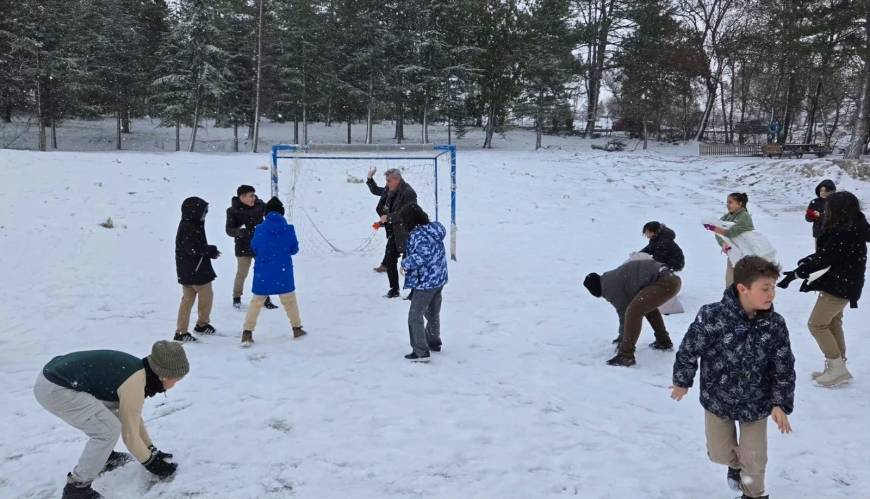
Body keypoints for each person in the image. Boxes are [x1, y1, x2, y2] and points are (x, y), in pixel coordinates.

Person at [671, 256, 795, 499]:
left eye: (773, 288)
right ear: (742, 288)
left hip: (757, 403)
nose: (772, 295)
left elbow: (784, 366)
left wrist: (780, 403)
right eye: (765, 289)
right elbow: (689, 349)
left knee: (754, 460)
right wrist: (682, 381)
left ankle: (753, 493)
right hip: (718, 399)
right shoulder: (712, 316)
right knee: (719, 453)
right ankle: (736, 466)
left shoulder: (775, 324)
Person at [34, 341, 189, 499]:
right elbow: (130, 436)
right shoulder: (135, 383)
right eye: (175, 380)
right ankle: (77, 489)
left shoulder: (139, 371)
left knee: (111, 421)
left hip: (56, 376)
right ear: (163, 375)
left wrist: (151, 449)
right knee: (107, 431)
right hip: (56, 388)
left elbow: (132, 417)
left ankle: (102, 457)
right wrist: (151, 463)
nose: (174, 385)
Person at [778, 191, 870, 387]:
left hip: (840, 286)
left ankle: (836, 367)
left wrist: (797, 273)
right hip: (845, 283)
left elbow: (824, 259)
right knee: (832, 322)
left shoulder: (844, 232)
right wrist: (804, 264)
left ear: (839, 210)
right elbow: (827, 255)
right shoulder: (854, 225)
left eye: (829, 208)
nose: (825, 210)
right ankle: (838, 367)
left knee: (817, 324)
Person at [583, 258, 682, 366]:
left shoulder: (609, 287)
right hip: (671, 279)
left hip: (665, 280)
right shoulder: (612, 277)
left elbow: (624, 313)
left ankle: (625, 355)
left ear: (596, 290)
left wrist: (622, 338)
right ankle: (663, 341)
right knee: (645, 307)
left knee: (633, 311)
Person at [241, 197, 307, 345]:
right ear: (282, 213)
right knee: (290, 301)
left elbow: (254, 248)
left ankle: (247, 332)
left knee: (256, 302)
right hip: (283, 271)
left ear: (266, 214)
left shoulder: (259, 229)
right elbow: (294, 249)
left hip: (263, 271)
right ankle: (297, 328)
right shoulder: (289, 229)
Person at [398, 204, 448, 362]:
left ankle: (420, 351)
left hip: (425, 282)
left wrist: (405, 263)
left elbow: (422, 255)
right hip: (438, 279)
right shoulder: (433, 229)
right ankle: (433, 342)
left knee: (415, 316)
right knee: (432, 313)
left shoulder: (418, 235)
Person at [366, 167, 418, 298]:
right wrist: (369, 179)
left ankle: (414, 291)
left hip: (408, 233)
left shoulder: (409, 193)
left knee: (409, 263)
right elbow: (377, 190)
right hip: (394, 232)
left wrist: (389, 217)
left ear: (397, 179)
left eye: (388, 181)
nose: (387, 184)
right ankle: (394, 289)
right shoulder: (390, 189)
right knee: (389, 260)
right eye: (386, 181)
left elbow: (407, 213)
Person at [174, 196, 220, 342]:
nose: (204, 215)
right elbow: (193, 249)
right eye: (203, 212)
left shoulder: (193, 224)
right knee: (205, 297)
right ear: (193, 212)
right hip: (196, 271)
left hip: (189, 270)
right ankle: (200, 324)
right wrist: (210, 250)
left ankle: (183, 331)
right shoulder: (189, 227)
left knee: (187, 300)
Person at [225, 184, 276, 310]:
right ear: (242, 197)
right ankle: (236, 298)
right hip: (243, 247)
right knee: (242, 273)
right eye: (250, 196)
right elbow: (228, 230)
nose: (254, 198)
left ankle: (265, 299)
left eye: (254, 195)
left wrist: (275, 208)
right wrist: (238, 232)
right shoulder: (232, 210)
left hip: (259, 245)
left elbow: (272, 213)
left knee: (262, 272)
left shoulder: (260, 205)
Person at [704, 192, 754, 287]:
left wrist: (714, 228)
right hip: (733, 254)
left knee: (743, 284)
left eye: (730, 202)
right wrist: (723, 243)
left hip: (746, 255)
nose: (727, 205)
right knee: (730, 282)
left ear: (740, 204)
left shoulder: (744, 216)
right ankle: (731, 300)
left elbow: (731, 232)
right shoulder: (727, 216)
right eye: (727, 202)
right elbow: (718, 232)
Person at [805, 179, 836, 249]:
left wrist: (820, 215)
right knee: (819, 255)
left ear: (831, 191)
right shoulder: (814, 202)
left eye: (826, 191)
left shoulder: (835, 202)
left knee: (832, 254)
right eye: (821, 190)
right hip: (818, 233)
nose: (823, 193)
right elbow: (808, 218)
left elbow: (835, 217)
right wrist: (812, 215)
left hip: (833, 233)